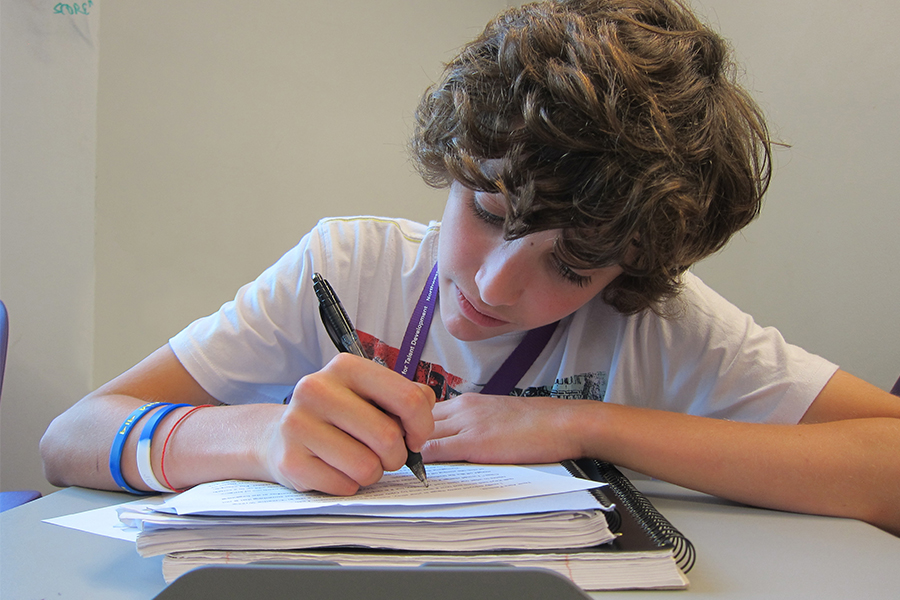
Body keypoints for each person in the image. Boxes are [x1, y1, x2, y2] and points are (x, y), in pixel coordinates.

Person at [41, 0, 900, 535]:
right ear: (452, 166)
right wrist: (254, 438)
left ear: (631, 264)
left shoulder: (659, 326)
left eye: (572, 263)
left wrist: (589, 429)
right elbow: (69, 438)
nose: (494, 287)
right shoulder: (347, 262)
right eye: (487, 214)